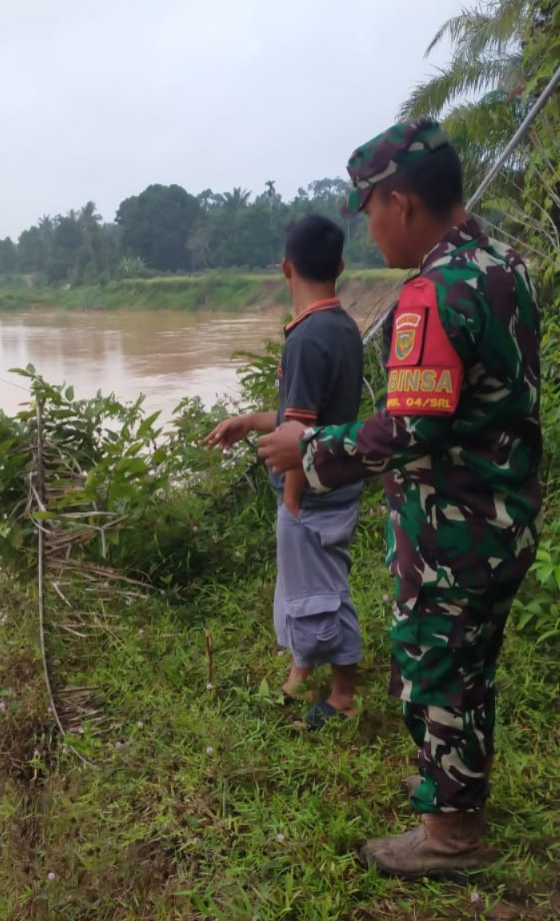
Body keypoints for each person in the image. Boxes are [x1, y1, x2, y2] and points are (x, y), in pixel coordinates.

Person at [256, 117, 542, 878]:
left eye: (372, 210)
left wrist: (307, 451)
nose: (370, 232)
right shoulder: (503, 264)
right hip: (503, 515)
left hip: (452, 529)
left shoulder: (431, 292)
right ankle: (458, 805)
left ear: (402, 201)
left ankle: (448, 838)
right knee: (468, 669)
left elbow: (409, 426)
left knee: (438, 670)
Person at [205, 214, 365, 728]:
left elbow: (299, 437)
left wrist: (292, 502)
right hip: (339, 478)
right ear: (340, 267)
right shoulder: (342, 327)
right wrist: (251, 421)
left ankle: (341, 697)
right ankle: (301, 673)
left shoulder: (304, 339)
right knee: (313, 583)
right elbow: (314, 417)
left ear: (285, 268)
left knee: (321, 592)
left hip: (311, 491)